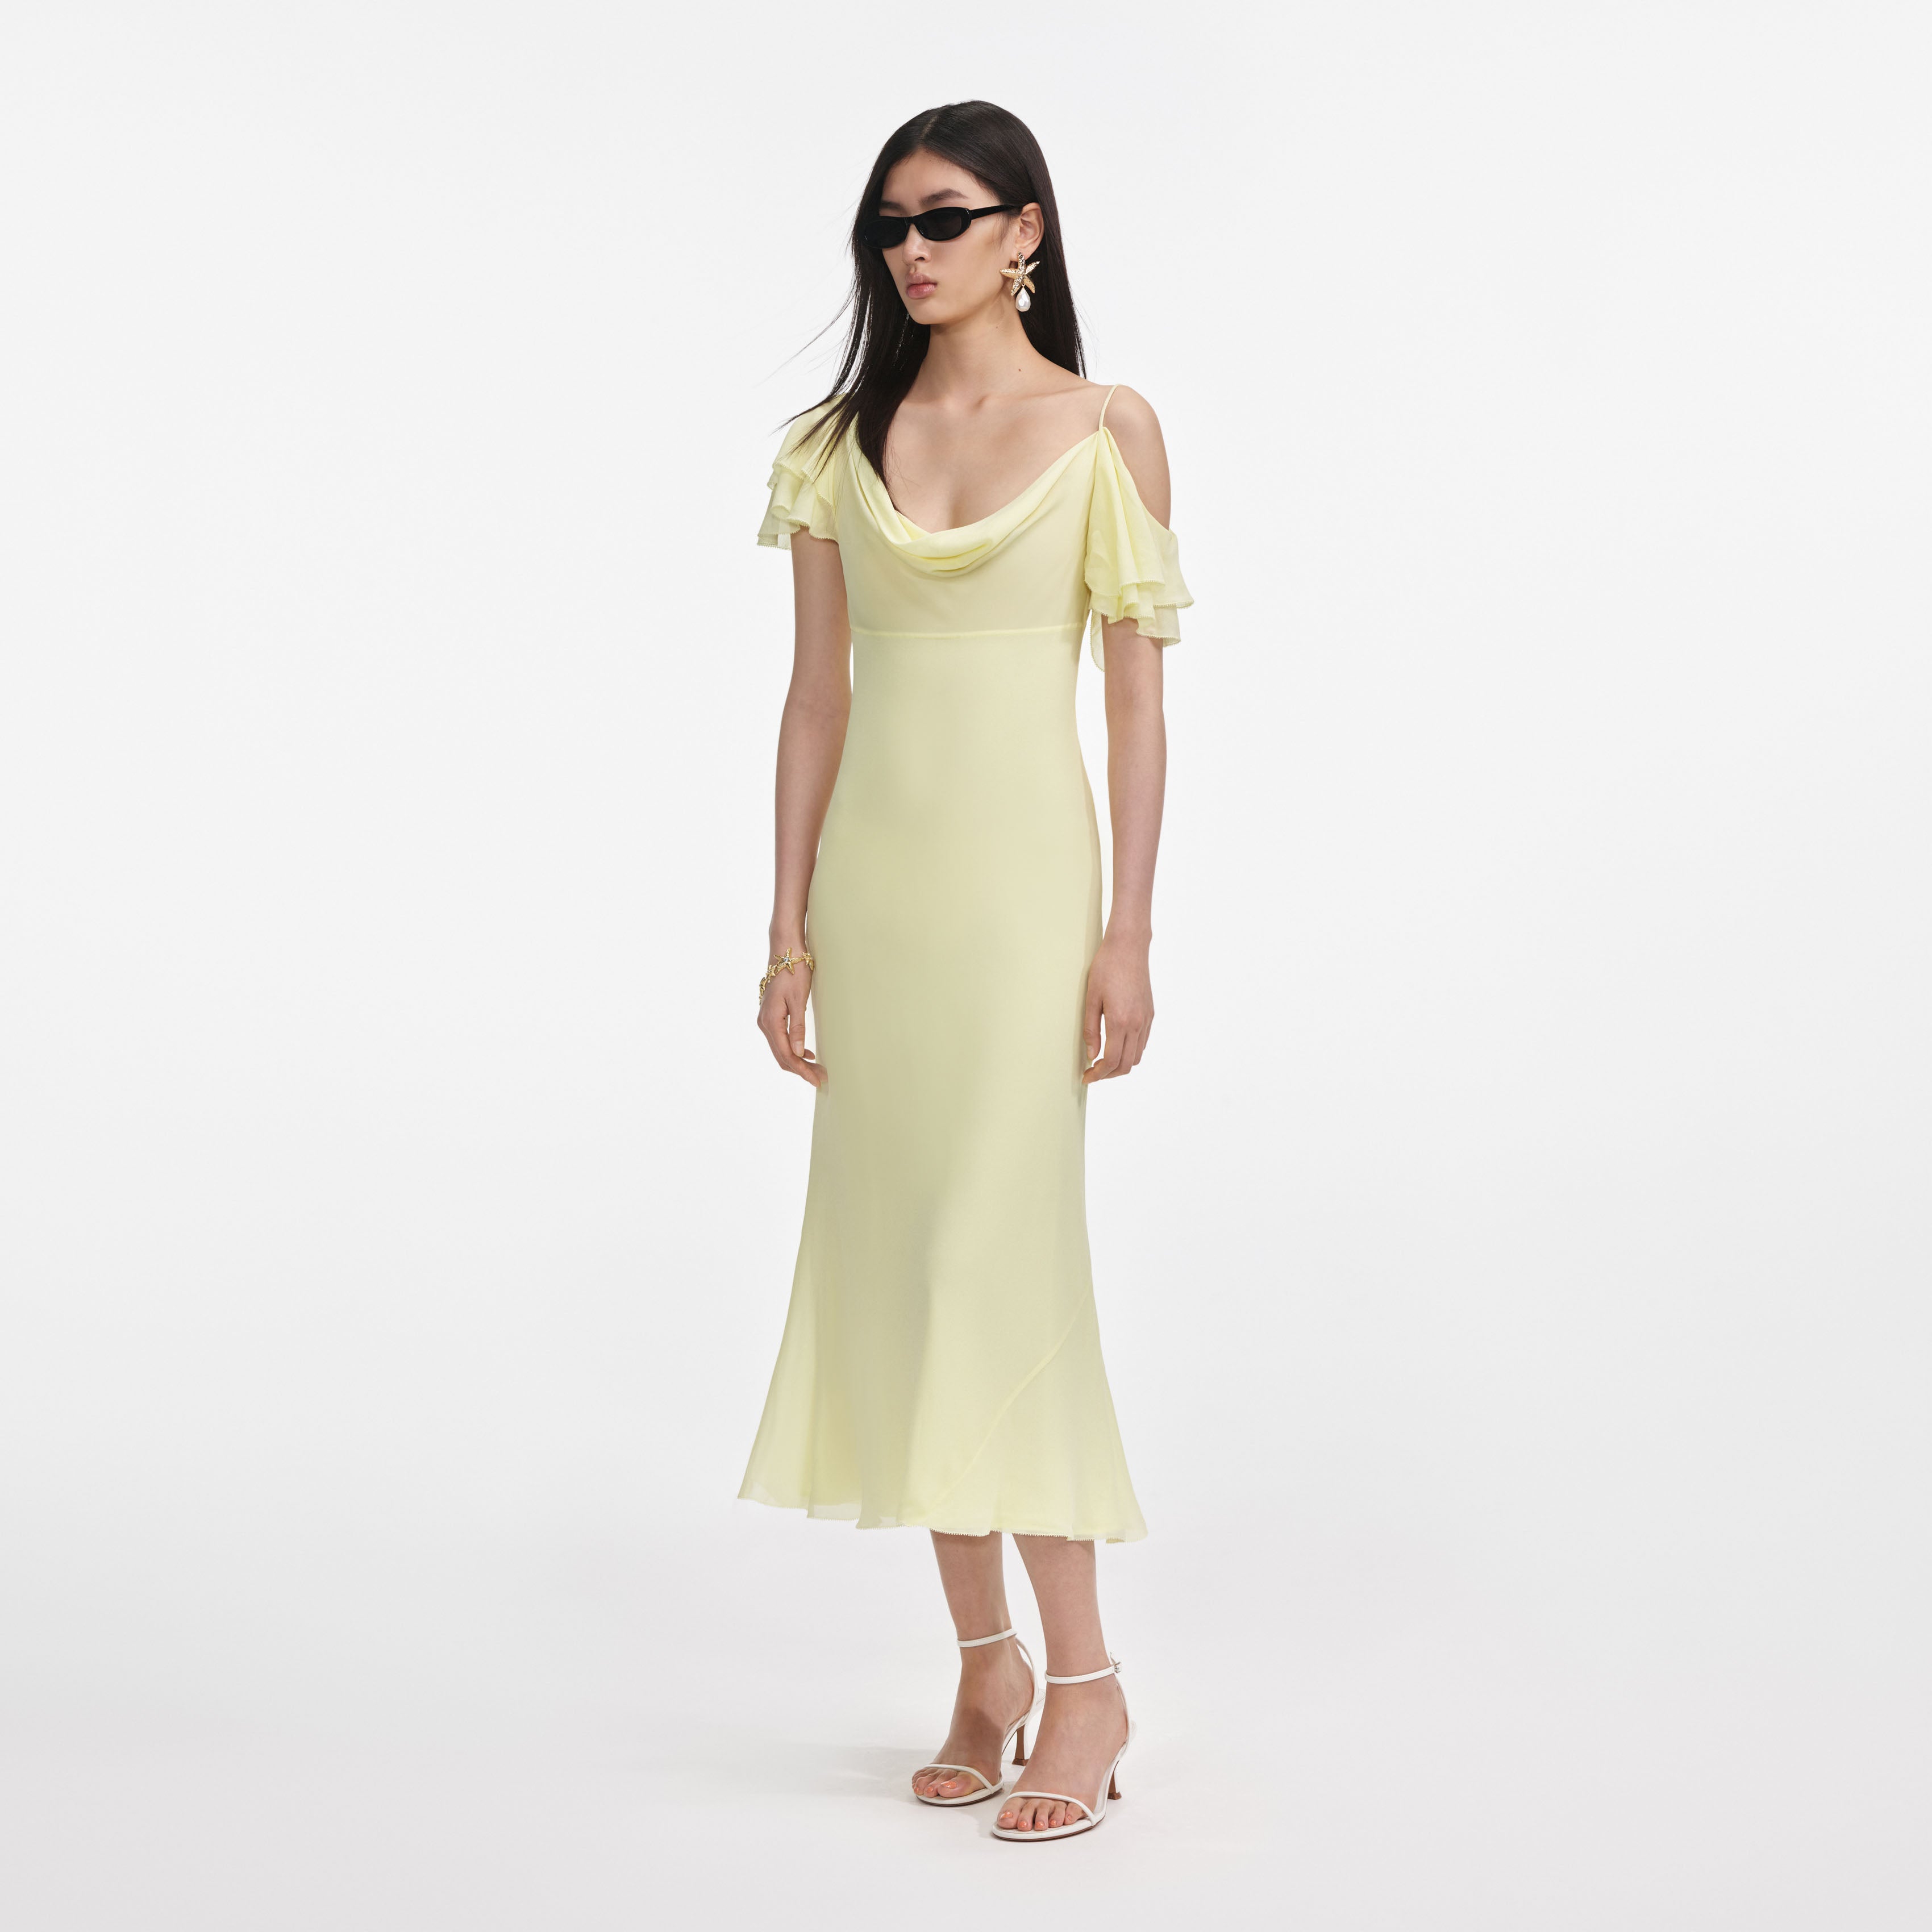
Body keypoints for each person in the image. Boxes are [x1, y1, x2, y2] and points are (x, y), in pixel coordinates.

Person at [740, 99, 1190, 1842]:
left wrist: (1127, 930)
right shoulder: (834, 442)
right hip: (883, 905)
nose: (909, 251)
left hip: (1023, 908)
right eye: (888, 226)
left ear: (1026, 233)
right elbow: (815, 702)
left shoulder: (1107, 429)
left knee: (1000, 1265)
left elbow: (1138, 705)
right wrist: (786, 927)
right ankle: (988, 1667)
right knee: (916, 1266)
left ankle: (1089, 1685)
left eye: (942, 218)